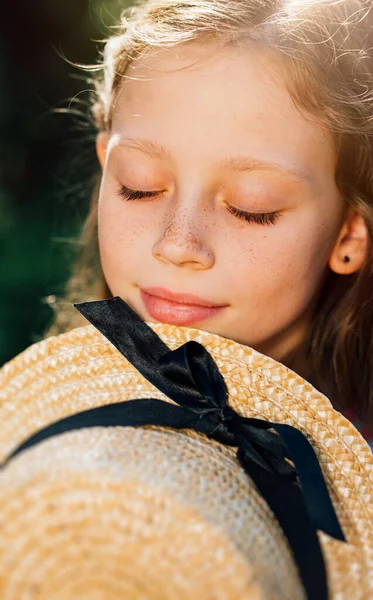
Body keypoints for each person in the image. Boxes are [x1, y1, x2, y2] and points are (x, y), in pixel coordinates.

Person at [44, 0, 373, 446]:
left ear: (349, 233)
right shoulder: (40, 435)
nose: (177, 245)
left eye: (250, 207)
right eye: (139, 186)